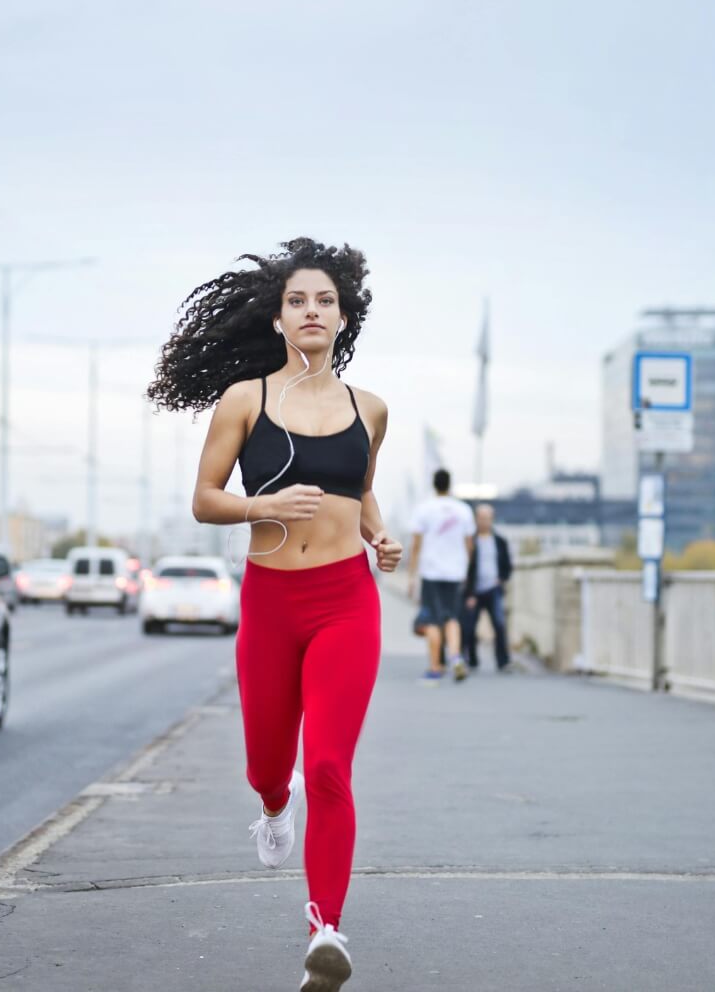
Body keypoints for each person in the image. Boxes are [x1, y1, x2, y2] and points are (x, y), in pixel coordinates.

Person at [148, 238, 402, 992]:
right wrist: (263, 504)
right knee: (270, 763)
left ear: (344, 315)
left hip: (346, 602)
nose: (312, 310)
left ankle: (326, 928)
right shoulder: (246, 400)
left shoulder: (371, 409)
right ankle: (270, 805)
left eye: (325, 300)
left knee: (327, 764)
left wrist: (379, 536)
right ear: (279, 319)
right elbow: (204, 499)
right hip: (271, 599)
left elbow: (360, 492)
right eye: (298, 301)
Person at [407, 468, 475, 682]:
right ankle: (455, 657)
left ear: (434, 485)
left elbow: (416, 545)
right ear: (450, 484)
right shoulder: (463, 510)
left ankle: (436, 667)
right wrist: (464, 567)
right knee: (452, 617)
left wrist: (411, 575)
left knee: (434, 620)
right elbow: (469, 545)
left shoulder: (424, 509)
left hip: (432, 571)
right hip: (455, 572)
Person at [462, 503, 513, 671]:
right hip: (474, 591)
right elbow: (466, 567)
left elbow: (507, 565)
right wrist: (469, 592)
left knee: (499, 624)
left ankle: (503, 661)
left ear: (492, 519)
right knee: (469, 627)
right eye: (481, 518)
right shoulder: (471, 541)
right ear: (476, 519)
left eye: (487, 518)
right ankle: (472, 659)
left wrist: (502, 579)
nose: (484, 521)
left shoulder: (500, 541)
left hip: (493, 589)